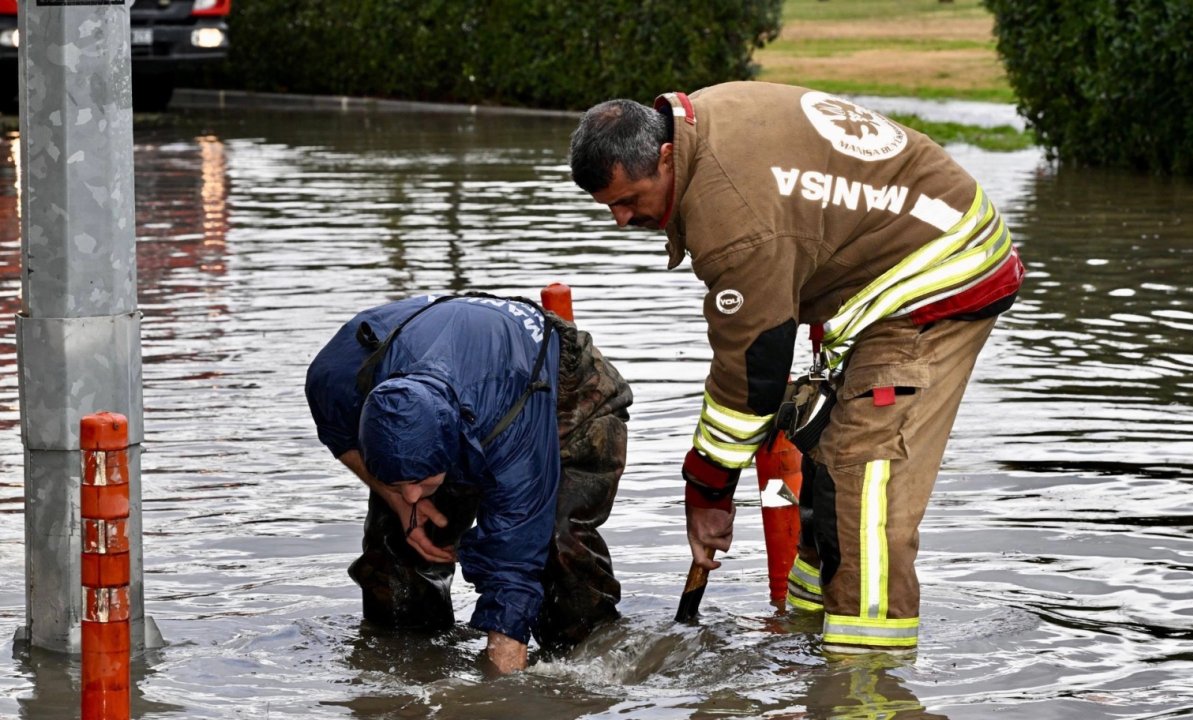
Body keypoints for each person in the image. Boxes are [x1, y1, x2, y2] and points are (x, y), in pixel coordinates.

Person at [569, 81, 1023, 654]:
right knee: (826, 470)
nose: (620, 219)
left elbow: (750, 376)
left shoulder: (732, 219)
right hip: (897, 260)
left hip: (941, 276)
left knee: (861, 476)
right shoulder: (703, 120)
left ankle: (866, 674)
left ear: (664, 157)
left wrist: (707, 492)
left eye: (629, 200)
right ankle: (802, 642)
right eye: (609, 206)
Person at [305, 292, 632, 673]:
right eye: (399, 480)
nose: (412, 494)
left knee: (556, 546)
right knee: (397, 550)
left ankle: (587, 669)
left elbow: (514, 557)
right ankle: (405, 669)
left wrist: (501, 685)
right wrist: (395, 499)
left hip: (561, 389)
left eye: (420, 480)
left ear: (457, 444)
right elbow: (339, 434)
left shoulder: (512, 429)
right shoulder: (338, 378)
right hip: (444, 360)